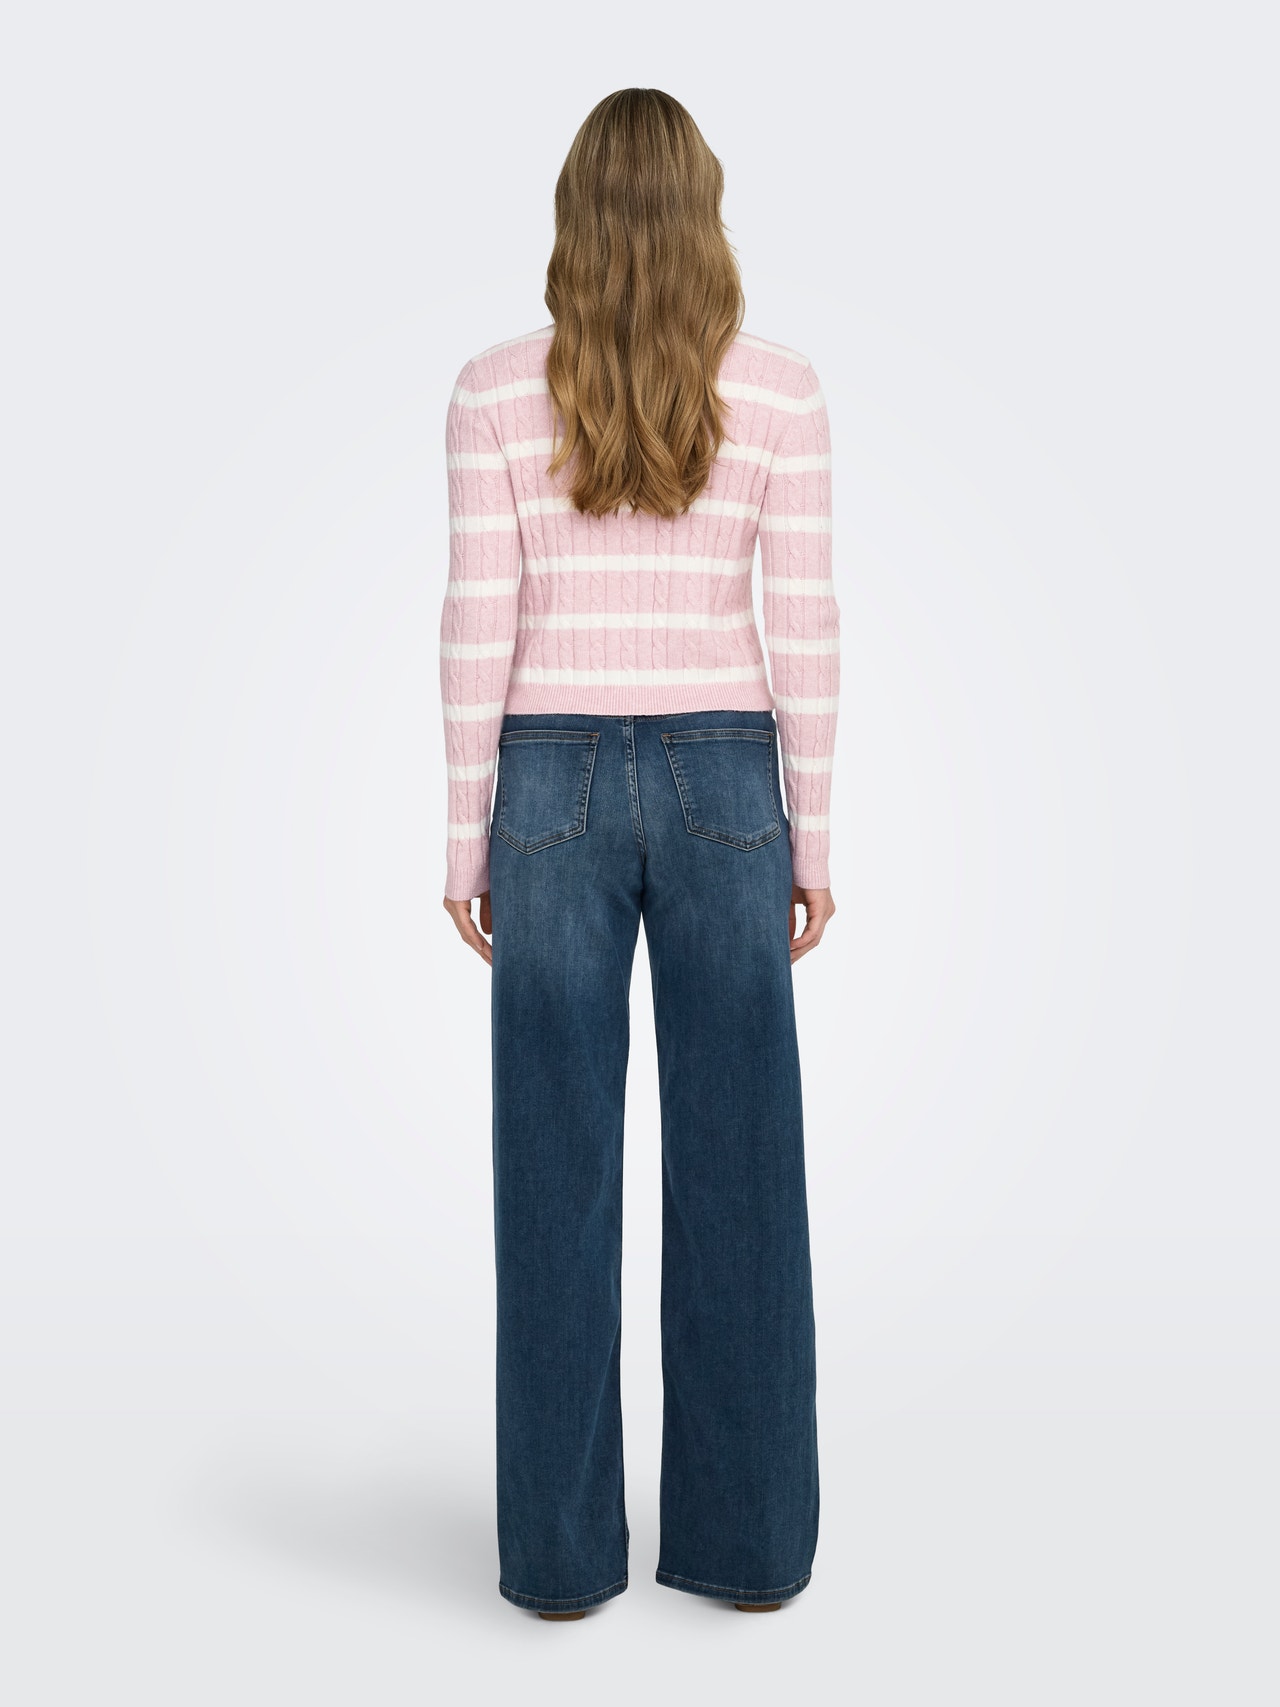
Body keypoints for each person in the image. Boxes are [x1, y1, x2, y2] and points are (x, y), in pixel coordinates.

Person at [439, 88, 840, 1621]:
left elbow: (478, 622)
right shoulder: (782, 391)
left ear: (575, 218)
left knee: (553, 1172)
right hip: (728, 776)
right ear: (705, 214)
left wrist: (464, 834)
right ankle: (751, 1546)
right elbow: (804, 625)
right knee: (742, 1167)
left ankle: (556, 1560)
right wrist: (815, 830)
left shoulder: (493, 389)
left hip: (546, 781)